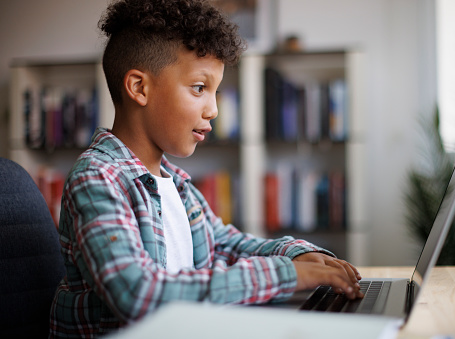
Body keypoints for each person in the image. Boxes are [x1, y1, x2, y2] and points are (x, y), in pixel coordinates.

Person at [49, 0, 363, 337]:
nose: (213, 109)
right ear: (140, 87)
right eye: (199, 88)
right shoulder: (98, 178)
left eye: (216, 91)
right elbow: (137, 293)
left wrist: (303, 255)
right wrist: (289, 275)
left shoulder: (177, 185)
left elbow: (227, 245)